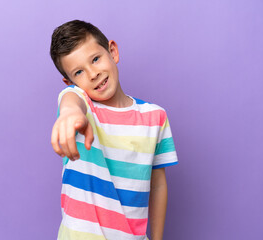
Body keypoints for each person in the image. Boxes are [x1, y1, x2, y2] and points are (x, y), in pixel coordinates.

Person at [50, 20, 178, 240]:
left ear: (113, 52)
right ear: (69, 81)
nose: (92, 74)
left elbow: (157, 185)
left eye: (96, 59)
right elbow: (70, 99)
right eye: (79, 72)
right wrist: (70, 113)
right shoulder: (82, 107)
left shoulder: (155, 117)